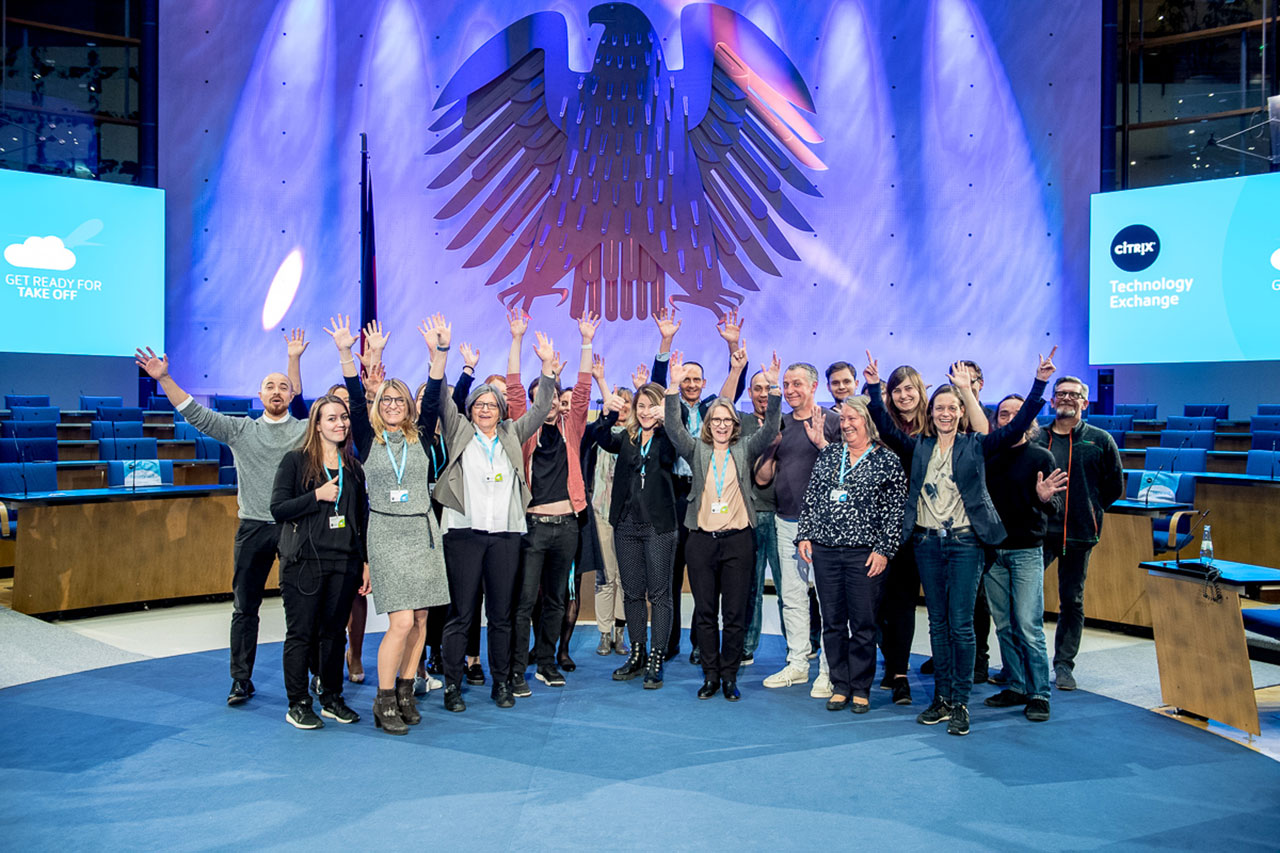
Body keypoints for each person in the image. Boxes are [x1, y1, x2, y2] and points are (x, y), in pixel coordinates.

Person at [865, 349, 1054, 736]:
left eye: (953, 408)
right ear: (931, 413)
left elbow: (1016, 428)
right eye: (940, 408)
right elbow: (885, 426)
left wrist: (1039, 384)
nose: (946, 413)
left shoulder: (976, 445)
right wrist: (871, 386)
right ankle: (941, 698)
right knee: (936, 624)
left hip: (966, 544)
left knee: (961, 626)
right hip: (926, 543)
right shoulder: (919, 447)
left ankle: (961, 702)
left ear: (961, 412)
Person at [134, 333, 309, 707]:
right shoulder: (241, 429)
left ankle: (304, 680)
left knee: (300, 608)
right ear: (259, 396)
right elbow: (194, 413)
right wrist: (164, 378)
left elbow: (309, 403)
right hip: (252, 528)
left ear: (291, 394)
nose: (276, 392)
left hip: (294, 528)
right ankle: (240, 680)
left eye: (283, 387)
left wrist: (293, 358)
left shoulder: (303, 432)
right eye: (269, 387)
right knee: (245, 608)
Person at [419, 314, 558, 712]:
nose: (484, 409)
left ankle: (501, 684)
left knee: (500, 614)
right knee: (461, 614)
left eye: (491, 405)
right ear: (471, 410)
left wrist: (547, 368)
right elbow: (439, 396)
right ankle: (452, 686)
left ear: (501, 410)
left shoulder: (514, 433)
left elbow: (543, 406)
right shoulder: (459, 430)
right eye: (478, 404)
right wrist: (440, 353)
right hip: (464, 534)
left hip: (505, 536)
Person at [325, 315, 450, 735]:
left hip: (423, 532)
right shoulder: (366, 435)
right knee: (399, 621)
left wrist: (440, 352)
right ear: (379, 407)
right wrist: (346, 353)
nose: (393, 404)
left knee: (419, 620)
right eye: (387, 399)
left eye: (400, 400)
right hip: (387, 533)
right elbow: (357, 399)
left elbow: (434, 395)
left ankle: (405, 691)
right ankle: (383, 701)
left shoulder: (423, 438)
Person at [665, 350, 781, 700]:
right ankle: (710, 675)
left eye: (726, 420)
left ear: (734, 424)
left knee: (734, 613)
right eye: (715, 420)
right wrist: (672, 385)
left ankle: (729, 676)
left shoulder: (745, 448)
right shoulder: (696, 451)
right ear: (707, 424)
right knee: (704, 612)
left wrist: (773, 386)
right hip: (701, 541)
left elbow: (772, 428)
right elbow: (672, 427)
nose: (720, 425)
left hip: (738, 542)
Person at [504, 309, 599, 695]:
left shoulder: (571, 426)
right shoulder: (522, 428)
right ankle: (514, 670)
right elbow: (511, 387)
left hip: (567, 528)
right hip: (532, 527)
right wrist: (517, 339)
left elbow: (584, 387)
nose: (555, 405)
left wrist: (586, 341)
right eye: (547, 399)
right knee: (525, 602)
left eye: (559, 401)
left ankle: (546, 663)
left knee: (557, 600)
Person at [797, 397, 907, 713]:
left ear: (867, 421)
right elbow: (813, 498)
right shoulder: (831, 455)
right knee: (832, 622)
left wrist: (884, 550)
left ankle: (861, 687)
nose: (845, 424)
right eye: (842, 419)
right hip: (826, 551)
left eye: (852, 418)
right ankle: (840, 684)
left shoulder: (887, 460)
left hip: (865, 554)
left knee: (863, 623)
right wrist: (805, 534)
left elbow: (895, 511)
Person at [651, 307, 747, 663]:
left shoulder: (712, 409)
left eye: (696, 380)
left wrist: (733, 348)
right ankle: (668, 640)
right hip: (673, 494)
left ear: (704, 385)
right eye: (685, 379)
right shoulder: (669, 406)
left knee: (704, 572)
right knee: (671, 571)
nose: (690, 384)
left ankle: (698, 642)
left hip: (707, 495)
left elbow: (731, 388)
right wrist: (666, 340)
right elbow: (660, 385)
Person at [269, 394, 370, 729]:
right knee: (301, 635)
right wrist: (316, 496)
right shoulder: (295, 461)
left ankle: (332, 698)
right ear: (316, 424)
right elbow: (279, 509)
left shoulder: (353, 466)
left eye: (343, 417)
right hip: (304, 563)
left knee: (334, 635)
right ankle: (298, 702)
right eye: (331, 418)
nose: (340, 423)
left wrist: (365, 561)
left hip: (344, 562)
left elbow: (361, 518)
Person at [754, 362, 840, 696]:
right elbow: (762, 478)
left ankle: (829, 671)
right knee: (791, 597)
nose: (790, 390)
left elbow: (847, 472)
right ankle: (798, 663)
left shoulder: (832, 422)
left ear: (814, 386)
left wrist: (822, 445)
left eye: (797, 384)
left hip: (825, 528)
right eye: (786, 385)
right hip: (785, 521)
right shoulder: (780, 424)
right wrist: (772, 444)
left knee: (828, 600)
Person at [981, 394, 1067, 722]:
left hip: (1026, 552)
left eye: (1016, 414)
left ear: (1029, 421)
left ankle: (1039, 693)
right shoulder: (988, 455)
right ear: (997, 420)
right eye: (1004, 414)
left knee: (1028, 625)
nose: (1009, 418)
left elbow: (1053, 506)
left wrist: (1044, 497)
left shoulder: (1041, 456)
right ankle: (1016, 684)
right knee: (1003, 624)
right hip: (993, 552)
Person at [1035, 374, 1124, 692]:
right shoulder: (1037, 438)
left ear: (1085, 403)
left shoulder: (1100, 440)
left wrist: (1090, 509)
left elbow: (1114, 486)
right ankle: (1021, 663)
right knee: (1026, 599)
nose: (1067, 399)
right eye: (1061, 394)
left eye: (1074, 395)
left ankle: (1063, 665)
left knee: (1071, 601)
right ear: (1052, 400)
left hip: (1080, 533)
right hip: (1040, 532)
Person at [594, 379, 680, 689]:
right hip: (626, 524)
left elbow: (675, 452)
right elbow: (599, 437)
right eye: (639, 406)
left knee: (659, 594)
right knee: (631, 593)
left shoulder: (667, 437)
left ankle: (656, 657)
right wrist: (606, 413)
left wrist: (669, 414)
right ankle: (637, 653)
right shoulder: (627, 438)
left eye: (650, 406)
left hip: (658, 526)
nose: (644, 412)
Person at [874, 365, 929, 705]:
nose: (904, 395)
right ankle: (893, 661)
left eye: (910, 389)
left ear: (921, 391)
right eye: (897, 390)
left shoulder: (934, 427)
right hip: (880, 527)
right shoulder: (881, 427)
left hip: (918, 529)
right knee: (877, 605)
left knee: (903, 605)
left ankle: (898, 673)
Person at [739, 369, 783, 666]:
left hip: (785, 516)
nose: (763, 393)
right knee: (750, 587)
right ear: (750, 393)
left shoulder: (788, 422)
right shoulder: (739, 424)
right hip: (750, 514)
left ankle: (802, 646)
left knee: (789, 587)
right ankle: (746, 645)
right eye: (757, 388)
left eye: (769, 388)